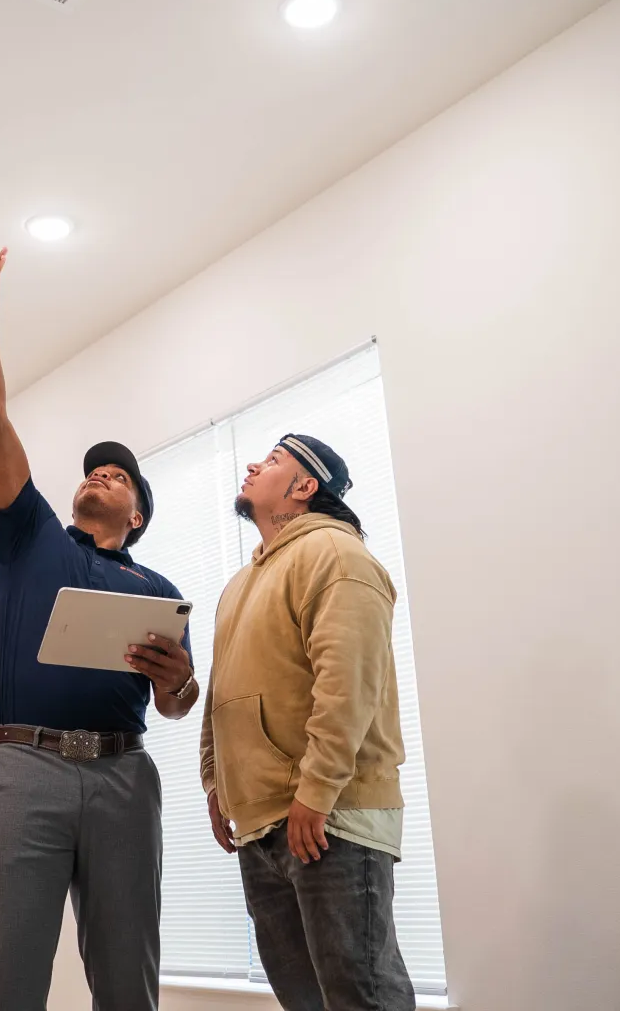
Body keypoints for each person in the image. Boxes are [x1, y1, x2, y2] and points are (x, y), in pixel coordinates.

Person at [0, 248, 200, 1011]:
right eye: (95, 468)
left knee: (129, 982)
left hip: (123, 779)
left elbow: (177, 701)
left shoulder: (158, 590)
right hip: (26, 769)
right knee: (8, 977)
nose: (101, 472)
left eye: (120, 475)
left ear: (136, 516)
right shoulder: (32, 537)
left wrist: (177, 682)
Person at [201, 433, 414, 1011]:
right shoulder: (239, 585)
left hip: (330, 819)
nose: (251, 464)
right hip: (262, 824)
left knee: (361, 998)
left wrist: (317, 793)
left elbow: (348, 685)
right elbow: (221, 693)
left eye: (271, 461)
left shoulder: (338, 556)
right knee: (306, 1002)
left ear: (304, 487)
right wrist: (217, 783)